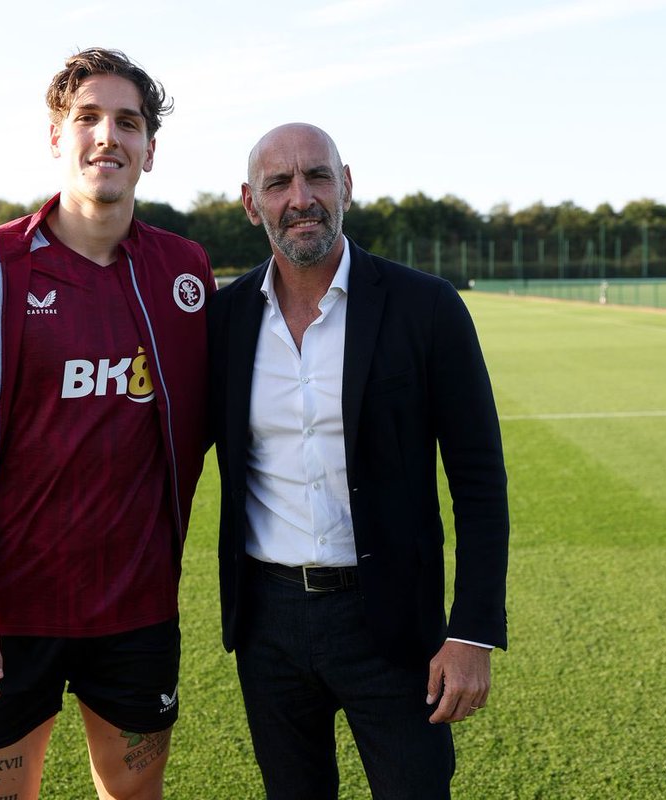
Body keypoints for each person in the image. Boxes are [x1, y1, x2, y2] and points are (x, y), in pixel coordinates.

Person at [0, 48, 213, 800]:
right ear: (55, 137)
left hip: (137, 609)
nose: (107, 136)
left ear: (149, 150)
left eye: (128, 123)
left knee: (134, 795)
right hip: (7, 616)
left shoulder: (185, 274)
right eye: (88, 118)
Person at [207, 123, 509, 799]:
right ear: (251, 203)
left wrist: (474, 631)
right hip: (268, 622)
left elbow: (480, 481)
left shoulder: (426, 307)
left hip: (394, 625)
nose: (301, 197)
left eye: (317, 176)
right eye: (278, 183)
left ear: (346, 184)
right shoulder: (224, 320)